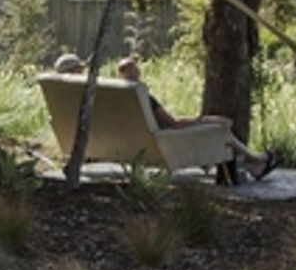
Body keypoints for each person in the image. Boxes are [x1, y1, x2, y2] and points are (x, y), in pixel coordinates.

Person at [117, 56, 277, 182]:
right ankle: (257, 159)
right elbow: (175, 124)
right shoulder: (144, 98)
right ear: (137, 73)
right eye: (136, 71)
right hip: (167, 142)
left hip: (139, 144)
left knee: (218, 133)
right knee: (220, 130)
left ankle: (253, 164)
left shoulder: (116, 100)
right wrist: (206, 119)